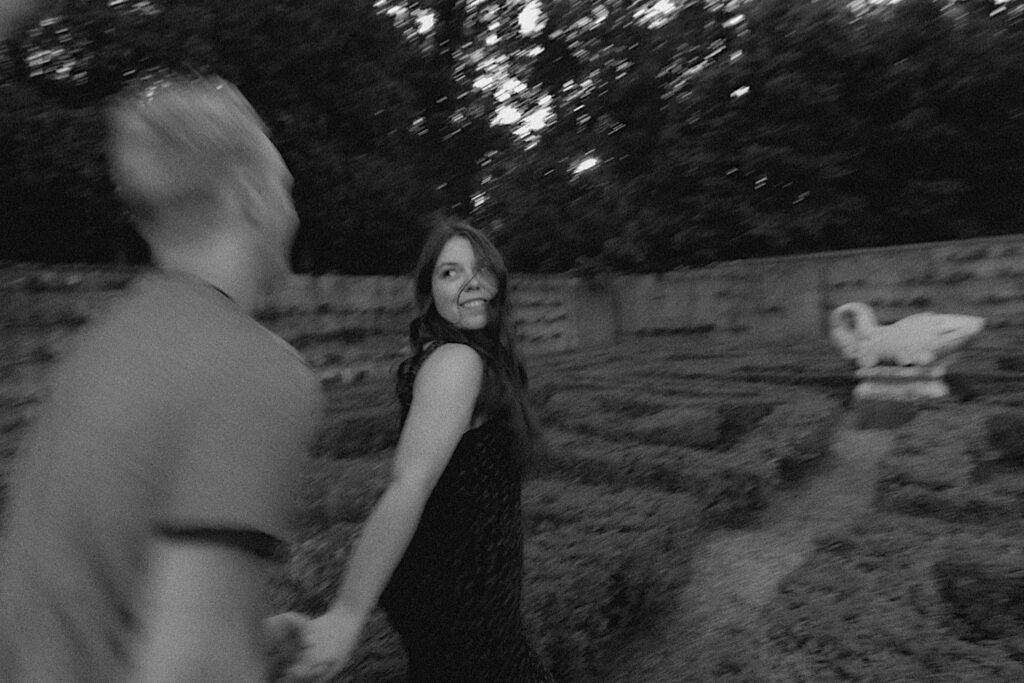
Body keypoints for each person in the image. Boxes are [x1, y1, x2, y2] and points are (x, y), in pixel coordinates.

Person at [0, 76, 323, 681]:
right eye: (285, 186)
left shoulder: (106, 343)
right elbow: (190, 671)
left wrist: (246, 639)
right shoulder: (251, 372)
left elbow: (96, 591)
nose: (292, 208)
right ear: (252, 194)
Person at [275, 218, 553, 682]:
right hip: (462, 600)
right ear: (430, 293)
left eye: (481, 268)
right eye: (450, 272)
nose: (471, 282)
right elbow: (409, 482)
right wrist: (347, 613)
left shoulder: (473, 357)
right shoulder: (458, 361)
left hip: (464, 590)